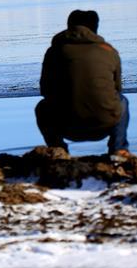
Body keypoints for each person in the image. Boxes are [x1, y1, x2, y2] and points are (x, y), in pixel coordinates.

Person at [35, 10, 130, 160]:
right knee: (122, 100)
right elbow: (117, 88)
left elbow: (45, 89)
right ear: (96, 27)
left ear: (69, 26)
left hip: (66, 125)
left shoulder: (54, 51)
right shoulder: (109, 51)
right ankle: (118, 149)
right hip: (103, 123)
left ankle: (58, 150)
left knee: (41, 107)